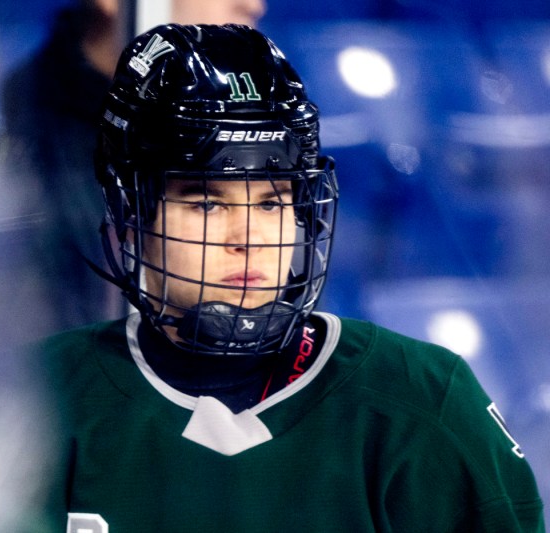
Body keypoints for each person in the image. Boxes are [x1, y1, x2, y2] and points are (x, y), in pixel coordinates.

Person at [39, 24, 545, 531]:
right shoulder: (43, 399)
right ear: (130, 216)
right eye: (207, 202)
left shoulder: (423, 401)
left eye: (271, 201)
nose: (249, 236)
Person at [0, 0, 267, 338]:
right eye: (206, 203)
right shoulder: (29, 145)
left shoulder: (255, 113)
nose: (253, 5)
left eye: (270, 203)